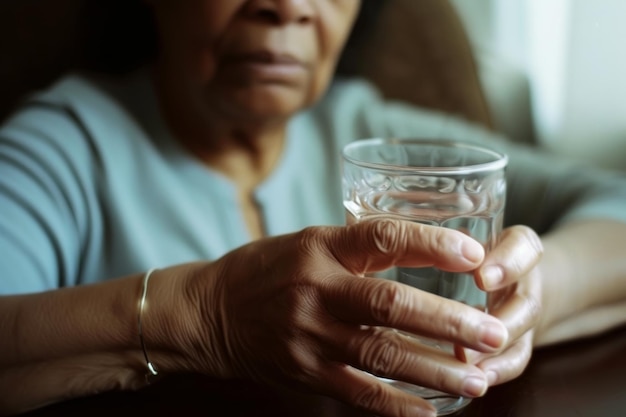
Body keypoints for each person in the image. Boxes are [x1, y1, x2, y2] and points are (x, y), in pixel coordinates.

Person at [1, 1, 626, 416]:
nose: (289, 5)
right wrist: (204, 314)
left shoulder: (370, 130)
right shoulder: (63, 145)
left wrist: (535, 293)